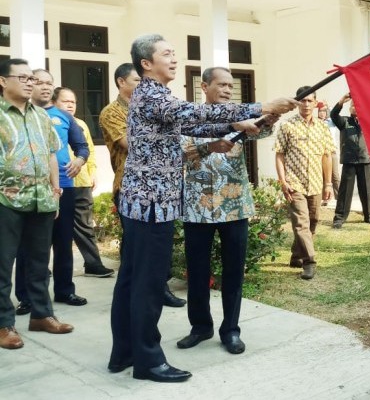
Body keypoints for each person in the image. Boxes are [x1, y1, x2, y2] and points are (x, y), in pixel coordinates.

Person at [108, 34, 297, 383]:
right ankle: (148, 360)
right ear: (146, 64)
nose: (175, 59)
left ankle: (124, 351)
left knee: (132, 280)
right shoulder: (151, 94)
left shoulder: (154, 96)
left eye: (174, 53)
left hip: (144, 204)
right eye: (166, 54)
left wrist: (235, 123)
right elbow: (193, 112)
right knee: (147, 286)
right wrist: (259, 106)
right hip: (152, 205)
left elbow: (194, 123)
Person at [176, 67, 277, 356]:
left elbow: (261, 130)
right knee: (197, 271)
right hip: (198, 208)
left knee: (234, 272)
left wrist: (270, 117)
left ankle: (230, 330)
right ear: (204, 86)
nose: (227, 90)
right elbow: (181, 152)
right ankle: (200, 327)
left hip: (234, 207)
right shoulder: (189, 117)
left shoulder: (239, 117)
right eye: (220, 85)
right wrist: (211, 146)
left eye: (230, 87)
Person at [99, 63, 186, 309]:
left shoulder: (155, 107)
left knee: (160, 246)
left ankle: (159, 288)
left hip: (162, 189)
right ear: (120, 82)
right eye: (138, 81)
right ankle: (136, 292)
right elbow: (131, 143)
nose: (143, 85)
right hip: (131, 188)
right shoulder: (112, 112)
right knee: (136, 248)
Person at [0, 59, 74, 351]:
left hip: (41, 199)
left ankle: (41, 315)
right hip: (6, 199)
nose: (30, 82)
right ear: (3, 81)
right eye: (23, 77)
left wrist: (55, 191)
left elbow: (52, 154)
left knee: (39, 263)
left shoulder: (42, 116)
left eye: (32, 78)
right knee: (3, 264)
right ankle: (4, 324)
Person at [15, 70, 90, 314]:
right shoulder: (20, 115)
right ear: (30, 84)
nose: (45, 87)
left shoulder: (63, 117)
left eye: (49, 83)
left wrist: (79, 160)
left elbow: (81, 146)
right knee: (30, 245)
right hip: (31, 188)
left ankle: (64, 290)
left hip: (64, 188)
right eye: (39, 82)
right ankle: (26, 296)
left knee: (62, 240)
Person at [52, 87, 114, 278]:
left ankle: (93, 264)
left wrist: (93, 172)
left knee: (84, 226)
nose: (70, 105)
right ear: (54, 103)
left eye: (74, 102)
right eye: (65, 101)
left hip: (82, 182)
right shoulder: (49, 121)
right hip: (59, 183)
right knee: (51, 228)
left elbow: (89, 150)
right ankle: (41, 267)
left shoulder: (81, 124)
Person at [275, 86, 335, 280]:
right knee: (301, 222)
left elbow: (327, 156)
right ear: (297, 102)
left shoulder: (322, 127)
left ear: (316, 103)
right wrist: (283, 181)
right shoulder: (287, 126)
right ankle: (309, 262)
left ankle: (296, 255)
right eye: (303, 100)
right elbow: (279, 155)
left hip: (316, 182)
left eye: (310, 100)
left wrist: (327, 184)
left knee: (313, 221)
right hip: (295, 183)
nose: (306, 104)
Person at [331, 92, 370, 228]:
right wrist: (342, 100)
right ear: (349, 109)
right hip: (349, 161)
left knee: (366, 190)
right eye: (352, 105)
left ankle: (368, 216)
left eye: (357, 105)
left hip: (365, 159)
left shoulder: (368, 122)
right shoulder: (344, 122)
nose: (355, 107)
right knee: (345, 192)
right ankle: (339, 218)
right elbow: (333, 115)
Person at [317, 102, 340, 206]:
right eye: (320, 111)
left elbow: (335, 114)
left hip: (331, 151)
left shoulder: (332, 121)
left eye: (324, 111)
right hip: (320, 152)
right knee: (322, 175)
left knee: (335, 175)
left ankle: (340, 198)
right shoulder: (315, 123)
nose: (322, 113)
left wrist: (328, 107)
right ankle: (325, 198)